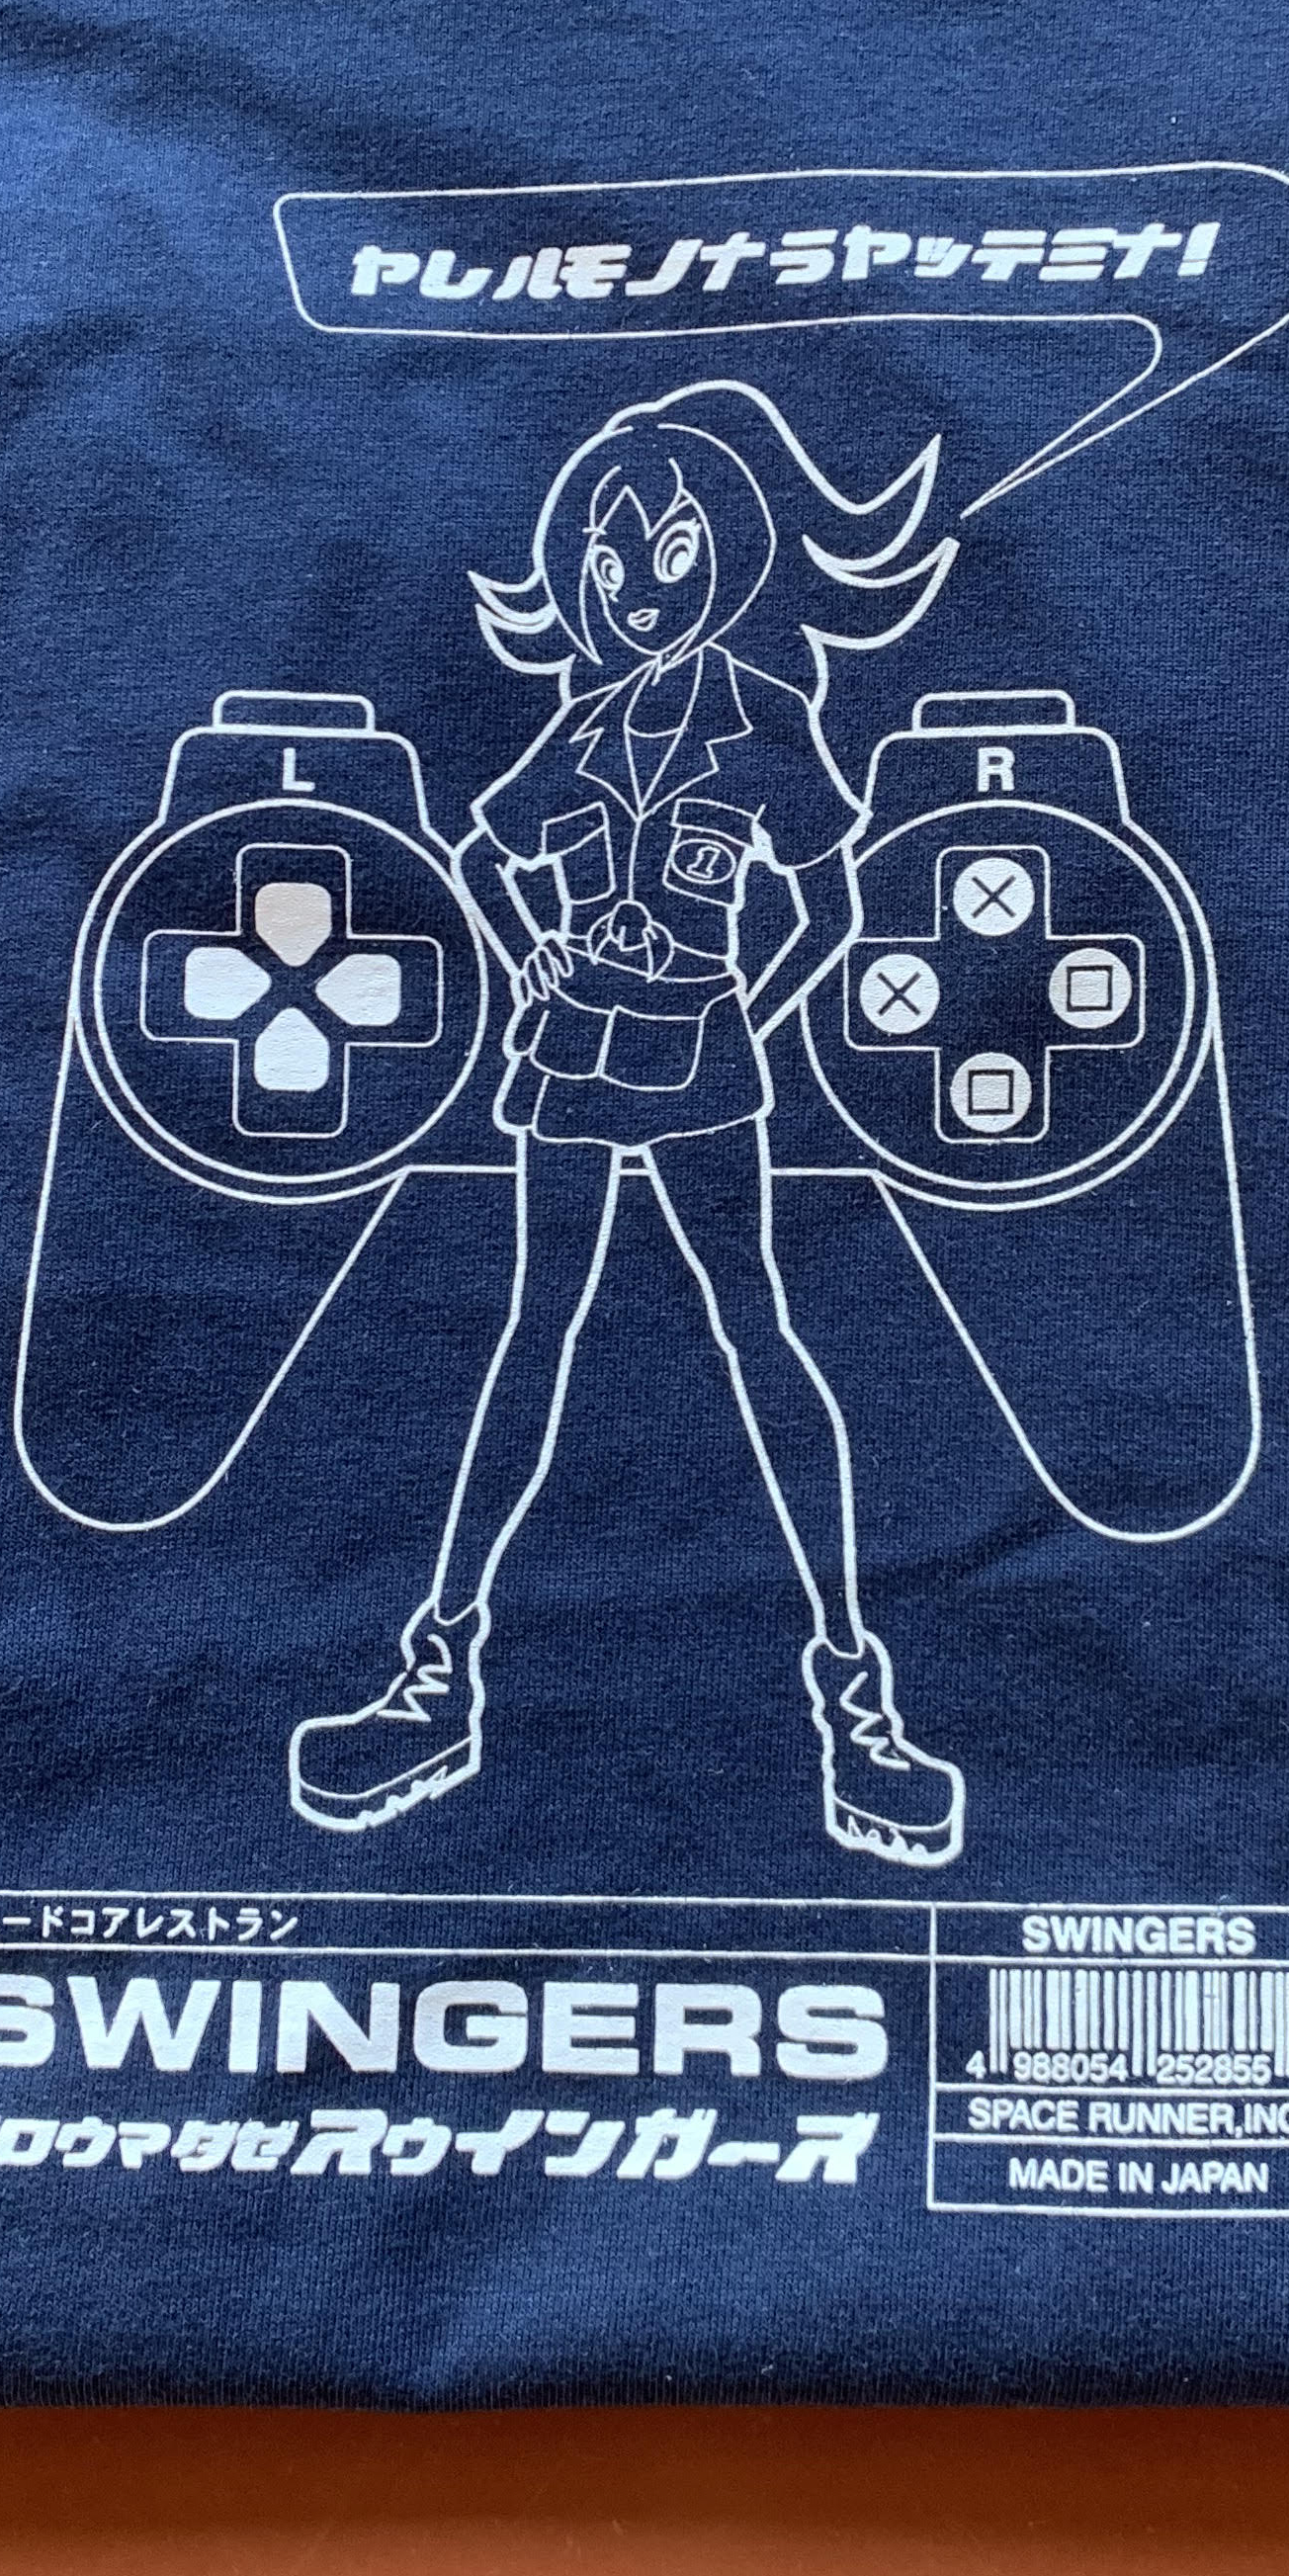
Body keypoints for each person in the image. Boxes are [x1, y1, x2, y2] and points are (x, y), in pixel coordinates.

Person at [288, 377, 968, 1862]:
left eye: (668, 554)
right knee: (535, 1335)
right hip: (568, 1057)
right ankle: (436, 1675)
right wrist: (538, 952)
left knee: (758, 1331)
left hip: (704, 1064)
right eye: (607, 561)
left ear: (731, 553)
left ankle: (856, 1701)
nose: (636, 589)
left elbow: (830, 907)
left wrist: (737, 1009)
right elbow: (482, 852)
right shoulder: (583, 725)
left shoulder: (767, 720)